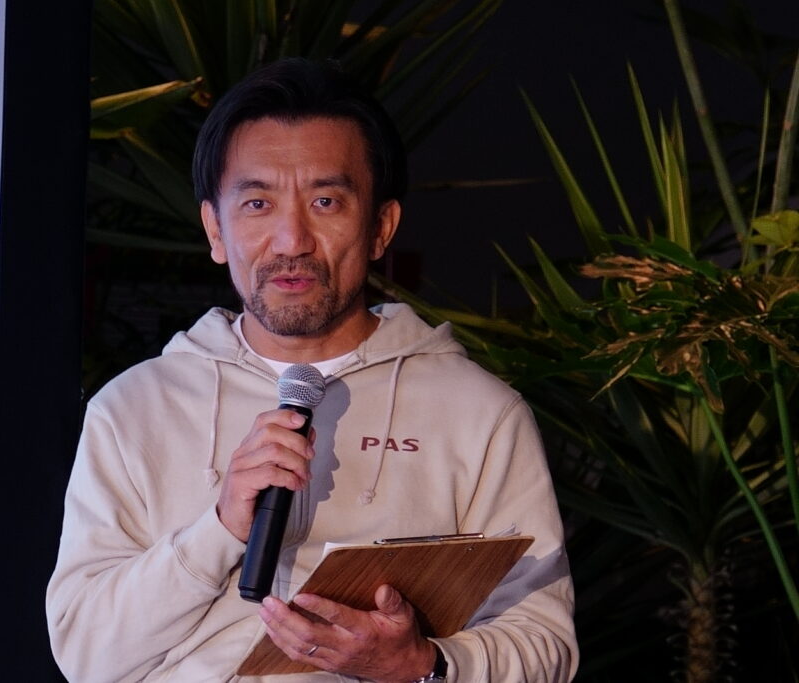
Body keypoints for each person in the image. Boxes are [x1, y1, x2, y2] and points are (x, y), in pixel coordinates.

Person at [46, 58, 577, 682]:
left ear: (380, 227)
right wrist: (218, 530)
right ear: (215, 229)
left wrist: (420, 664)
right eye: (258, 203)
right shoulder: (133, 408)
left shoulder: (479, 413)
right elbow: (85, 656)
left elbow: (546, 644)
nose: (291, 239)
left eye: (326, 201)